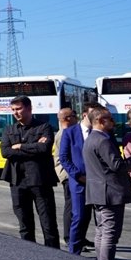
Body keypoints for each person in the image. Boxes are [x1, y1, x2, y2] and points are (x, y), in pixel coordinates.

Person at [0, 95, 59, 248]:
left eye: (18, 109)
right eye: (13, 110)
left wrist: (20, 146)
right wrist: (32, 148)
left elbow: (44, 148)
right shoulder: (9, 129)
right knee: (24, 223)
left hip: (40, 180)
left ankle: (53, 254)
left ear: (29, 109)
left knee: (48, 222)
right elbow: (5, 152)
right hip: (17, 180)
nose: (15, 112)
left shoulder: (44, 127)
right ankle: (29, 252)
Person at [82, 106, 131, 260]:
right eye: (110, 119)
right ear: (100, 121)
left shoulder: (90, 138)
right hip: (110, 193)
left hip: (98, 192)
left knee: (101, 231)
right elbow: (116, 165)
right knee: (110, 233)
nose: (114, 122)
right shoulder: (103, 140)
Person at [58, 102, 102, 254]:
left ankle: (103, 253)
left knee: (100, 219)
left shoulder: (101, 132)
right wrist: (78, 175)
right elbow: (64, 158)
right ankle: (74, 252)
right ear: (85, 115)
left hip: (99, 182)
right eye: (94, 114)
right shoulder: (70, 132)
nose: (98, 118)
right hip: (79, 183)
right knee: (79, 216)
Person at [53, 106, 78, 247]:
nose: (77, 117)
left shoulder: (68, 131)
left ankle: (78, 235)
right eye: (74, 114)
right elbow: (64, 157)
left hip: (70, 173)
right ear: (68, 118)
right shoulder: (64, 133)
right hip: (68, 174)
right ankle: (69, 237)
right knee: (71, 206)